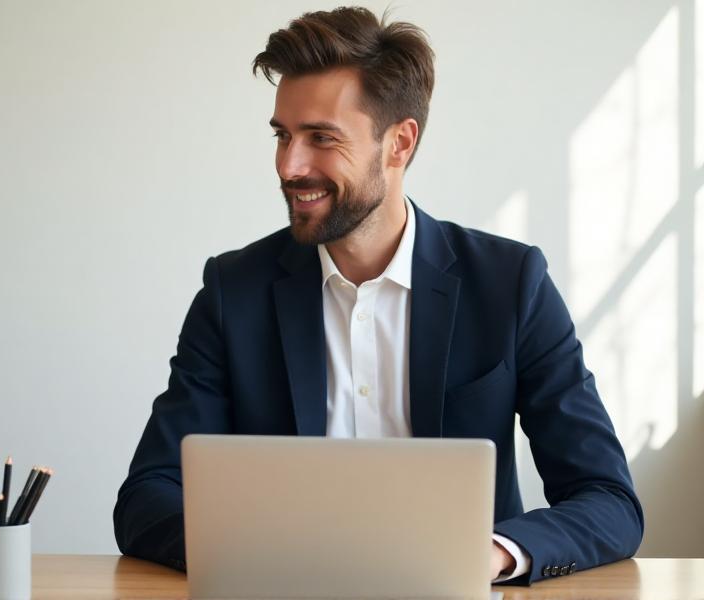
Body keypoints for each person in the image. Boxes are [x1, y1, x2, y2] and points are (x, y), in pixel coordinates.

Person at [113, 6, 643, 584]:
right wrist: (264, 552)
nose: (290, 166)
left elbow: (608, 500)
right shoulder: (232, 291)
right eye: (283, 136)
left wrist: (491, 554)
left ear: (399, 143)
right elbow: (147, 497)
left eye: (321, 138)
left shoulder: (510, 283)